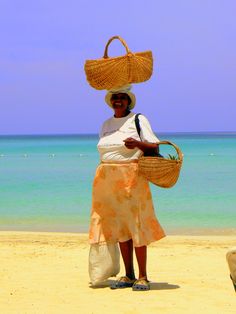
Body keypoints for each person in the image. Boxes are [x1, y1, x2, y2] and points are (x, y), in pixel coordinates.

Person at [89, 84, 165, 291]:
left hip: (132, 176)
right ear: (110, 102)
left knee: (137, 225)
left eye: (122, 98)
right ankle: (128, 274)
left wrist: (138, 145)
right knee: (120, 227)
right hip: (107, 180)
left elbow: (155, 146)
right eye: (115, 98)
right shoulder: (105, 124)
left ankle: (143, 276)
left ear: (128, 101)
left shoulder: (138, 120)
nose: (118, 101)